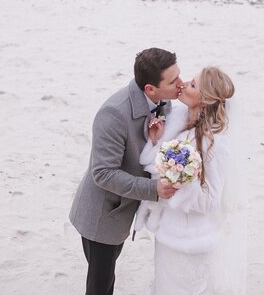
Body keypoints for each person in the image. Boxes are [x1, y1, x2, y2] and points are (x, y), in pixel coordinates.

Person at [69, 47, 184, 295]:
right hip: (103, 214)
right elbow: (103, 174)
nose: (181, 84)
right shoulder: (113, 114)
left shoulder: (162, 101)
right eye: (173, 80)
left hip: (124, 208)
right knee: (101, 285)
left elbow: (152, 134)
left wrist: (156, 139)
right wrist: (154, 189)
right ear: (150, 89)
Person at [136, 66, 247, 295]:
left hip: (191, 242)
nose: (184, 84)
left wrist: (181, 182)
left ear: (205, 100)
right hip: (166, 233)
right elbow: (150, 164)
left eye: (193, 85)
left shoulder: (215, 144)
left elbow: (210, 201)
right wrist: (156, 141)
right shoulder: (177, 118)